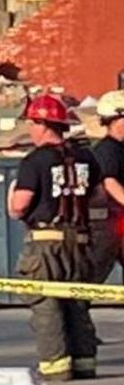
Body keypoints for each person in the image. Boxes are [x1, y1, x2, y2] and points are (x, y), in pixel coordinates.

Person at [8, 92, 124, 381]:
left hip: (46, 244)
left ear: (43, 125)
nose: (30, 130)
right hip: (81, 242)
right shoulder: (86, 157)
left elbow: (20, 206)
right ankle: (85, 362)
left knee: (47, 304)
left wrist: (12, 195)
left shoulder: (34, 161)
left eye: (32, 124)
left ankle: (56, 367)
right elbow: (97, 194)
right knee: (77, 301)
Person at [88, 90, 124, 284]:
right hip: (108, 224)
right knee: (93, 277)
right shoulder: (108, 150)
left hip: (115, 221)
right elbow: (110, 182)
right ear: (116, 119)